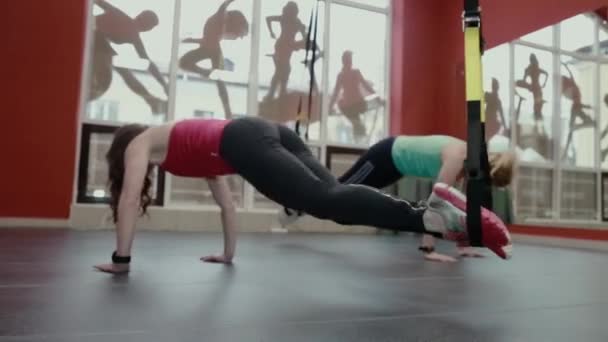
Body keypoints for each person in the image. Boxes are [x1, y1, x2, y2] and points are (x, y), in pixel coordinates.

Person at [94, 116, 512, 273]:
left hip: (243, 138)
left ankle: (430, 218)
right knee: (335, 198)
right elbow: (226, 202)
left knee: (326, 201)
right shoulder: (182, 149)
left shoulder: (140, 142)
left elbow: (129, 199)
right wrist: (228, 254)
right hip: (262, 131)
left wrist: (122, 260)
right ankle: (432, 218)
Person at [279, 134, 517, 262]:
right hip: (386, 154)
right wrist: (428, 249)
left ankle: (298, 206)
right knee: (336, 192)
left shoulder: (468, 162)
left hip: (395, 167)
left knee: (339, 195)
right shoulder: (457, 158)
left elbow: (459, 205)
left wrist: (464, 246)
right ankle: (294, 205)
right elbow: (438, 205)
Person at [91, 0, 168, 114]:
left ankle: (151, 100)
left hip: (97, 41)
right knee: (117, 73)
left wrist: (164, 84)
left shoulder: (134, 36)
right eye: (150, 26)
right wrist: (164, 84)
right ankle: (151, 100)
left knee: (123, 71)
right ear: (146, 26)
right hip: (91, 33)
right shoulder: (121, 18)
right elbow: (99, 2)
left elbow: (148, 63)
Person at [179, 0, 249, 119]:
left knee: (219, 80)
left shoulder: (220, 27)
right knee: (183, 63)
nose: (236, 38)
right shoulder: (221, 18)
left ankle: (227, 111)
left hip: (212, 49)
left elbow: (208, 39)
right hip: (210, 49)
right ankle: (227, 110)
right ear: (236, 25)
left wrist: (192, 40)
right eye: (238, 35)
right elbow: (223, 5)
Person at [329, 51, 379, 142]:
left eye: (351, 60)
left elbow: (365, 85)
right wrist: (329, 108)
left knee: (356, 122)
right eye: (349, 60)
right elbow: (365, 85)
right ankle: (359, 138)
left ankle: (359, 137)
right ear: (345, 61)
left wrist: (376, 96)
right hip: (354, 106)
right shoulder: (345, 74)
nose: (350, 62)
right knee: (356, 122)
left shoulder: (349, 73)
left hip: (354, 106)